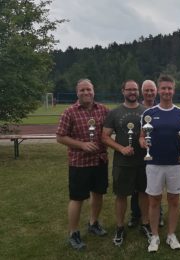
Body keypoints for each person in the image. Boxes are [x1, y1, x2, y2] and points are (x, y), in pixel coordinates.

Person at [56, 79, 109, 250]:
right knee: (77, 198)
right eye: (82, 90)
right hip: (79, 162)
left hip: (99, 160)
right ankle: (73, 233)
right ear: (77, 92)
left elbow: (110, 131)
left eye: (89, 89)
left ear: (94, 91)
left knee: (98, 194)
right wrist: (82, 145)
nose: (86, 93)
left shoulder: (103, 110)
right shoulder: (69, 112)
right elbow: (60, 136)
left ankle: (93, 223)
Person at [140, 75, 180, 252]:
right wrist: (143, 143)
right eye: (164, 88)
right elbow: (141, 136)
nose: (167, 91)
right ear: (158, 90)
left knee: (174, 200)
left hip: (175, 164)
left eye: (170, 88)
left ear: (173, 90)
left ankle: (171, 235)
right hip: (154, 164)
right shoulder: (148, 114)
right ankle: (154, 236)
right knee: (154, 201)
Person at [101, 80, 150, 246]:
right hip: (123, 162)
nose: (132, 92)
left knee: (144, 193)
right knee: (121, 195)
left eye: (135, 90)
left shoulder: (147, 111)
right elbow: (104, 136)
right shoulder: (114, 113)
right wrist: (121, 149)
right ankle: (120, 227)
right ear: (123, 91)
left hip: (144, 161)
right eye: (129, 89)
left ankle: (145, 224)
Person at [128, 80, 165, 228]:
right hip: (138, 154)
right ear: (142, 92)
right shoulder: (137, 108)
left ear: (156, 92)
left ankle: (159, 214)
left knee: (156, 187)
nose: (149, 93)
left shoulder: (161, 108)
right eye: (147, 90)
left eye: (152, 90)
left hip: (156, 155)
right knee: (138, 187)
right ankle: (135, 215)